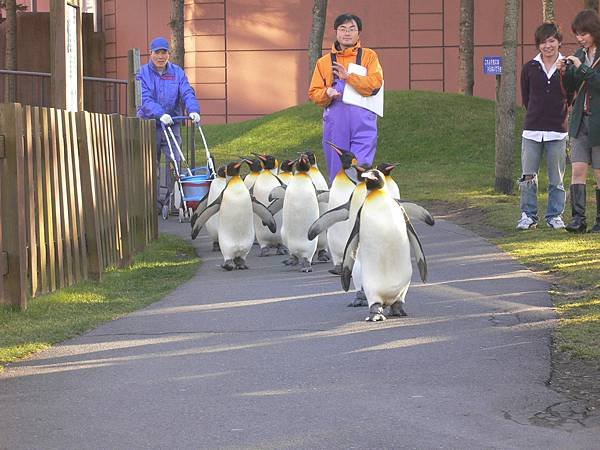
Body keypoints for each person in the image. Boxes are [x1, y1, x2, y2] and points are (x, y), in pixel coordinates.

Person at [308, 13, 383, 183]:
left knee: (361, 167)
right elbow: (314, 92)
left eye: (352, 29)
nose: (347, 33)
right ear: (336, 32)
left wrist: (348, 77)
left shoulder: (369, 56)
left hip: (363, 121)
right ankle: (339, 205)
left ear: (359, 33)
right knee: (338, 170)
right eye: (342, 29)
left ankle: (362, 203)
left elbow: (375, 84)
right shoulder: (324, 62)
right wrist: (327, 93)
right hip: (336, 123)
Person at [136, 36, 201, 212]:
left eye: (164, 53)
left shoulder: (177, 72)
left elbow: (187, 92)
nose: (160, 56)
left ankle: (172, 200)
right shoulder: (142, 73)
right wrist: (159, 113)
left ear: (168, 54)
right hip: (149, 125)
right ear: (151, 53)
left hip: (172, 124)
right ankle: (152, 204)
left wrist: (193, 109)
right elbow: (144, 99)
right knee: (151, 165)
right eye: (157, 52)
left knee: (175, 162)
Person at [516, 23, 568, 230]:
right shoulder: (530, 67)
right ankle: (528, 216)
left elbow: (571, 96)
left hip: (557, 130)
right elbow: (526, 98)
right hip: (532, 130)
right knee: (528, 176)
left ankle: (555, 216)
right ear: (538, 44)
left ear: (559, 42)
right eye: (543, 42)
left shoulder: (566, 67)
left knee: (557, 179)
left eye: (552, 41)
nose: (547, 46)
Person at [557, 9, 600, 233]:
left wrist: (581, 68)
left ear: (594, 31)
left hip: (598, 122)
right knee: (578, 170)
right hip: (580, 121)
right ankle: (578, 219)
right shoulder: (580, 54)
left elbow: (597, 83)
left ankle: (599, 221)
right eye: (577, 34)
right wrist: (565, 72)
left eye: (584, 33)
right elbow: (573, 88)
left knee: (599, 173)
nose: (580, 38)